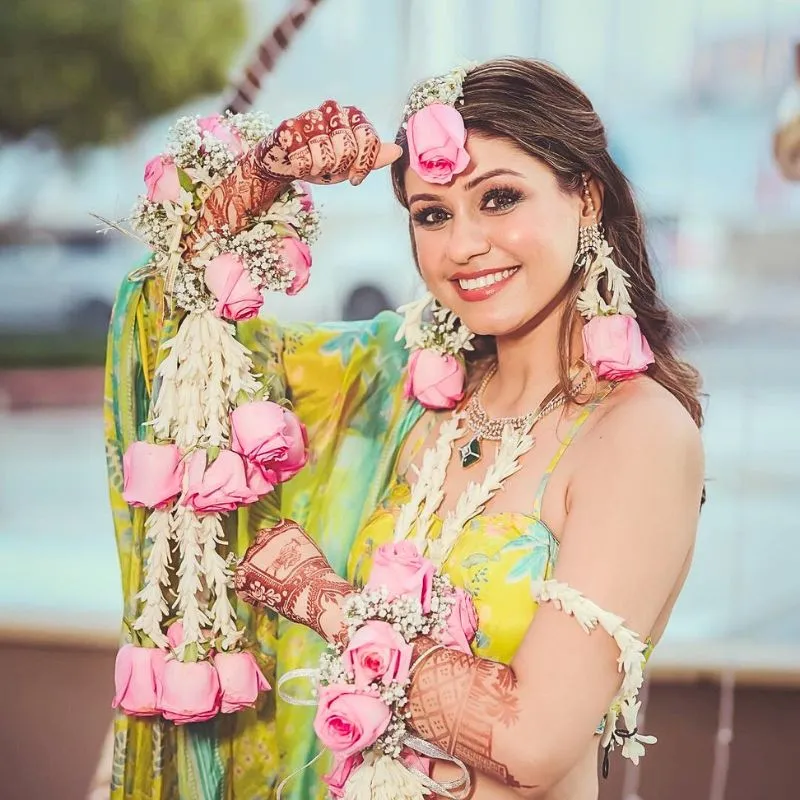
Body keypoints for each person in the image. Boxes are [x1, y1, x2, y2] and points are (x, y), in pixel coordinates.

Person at [104, 58, 704, 800]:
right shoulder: (405, 384)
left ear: (587, 196)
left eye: (500, 198)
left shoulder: (636, 434)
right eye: (432, 213)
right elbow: (174, 330)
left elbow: (533, 739)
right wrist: (270, 169)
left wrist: (322, 599)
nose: (462, 247)